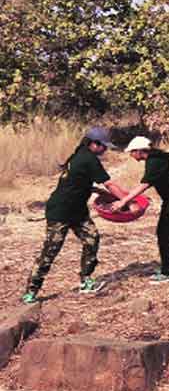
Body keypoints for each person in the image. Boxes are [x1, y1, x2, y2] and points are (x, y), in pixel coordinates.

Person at [22, 127, 128, 303]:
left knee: (92, 239)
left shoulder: (80, 154)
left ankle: (86, 280)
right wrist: (127, 200)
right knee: (50, 252)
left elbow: (79, 182)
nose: (105, 150)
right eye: (104, 146)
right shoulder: (88, 159)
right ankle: (31, 292)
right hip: (60, 211)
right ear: (94, 144)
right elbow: (109, 183)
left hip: (78, 211)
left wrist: (99, 191)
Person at [111, 137, 169, 284]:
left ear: (139, 151)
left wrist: (123, 201)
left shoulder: (154, 161)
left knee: (165, 234)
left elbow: (144, 185)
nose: (131, 155)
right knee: (164, 233)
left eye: (132, 152)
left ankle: (168, 272)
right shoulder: (156, 158)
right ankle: (167, 268)